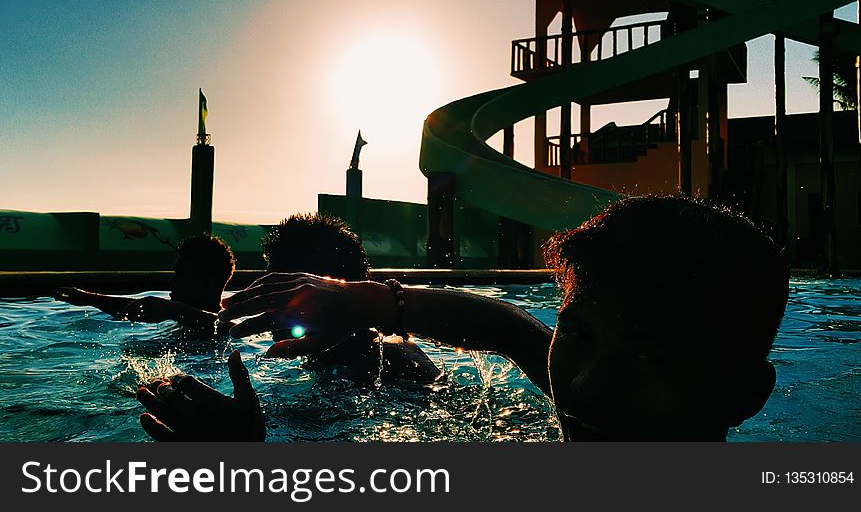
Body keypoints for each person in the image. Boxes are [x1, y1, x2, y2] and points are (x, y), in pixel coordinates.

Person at [138, 196, 788, 441]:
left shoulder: (394, 366)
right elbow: (512, 332)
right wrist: (374, 300)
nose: (588, 382)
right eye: (579, 334)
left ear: (742, 395)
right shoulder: (591, 405)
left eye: (650, 357)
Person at [260, 212, 442, 386]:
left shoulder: (387, 362)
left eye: (278, 292)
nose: (265, 304)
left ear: (323, 293)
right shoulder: (332, 354)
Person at [54, 234, 235, 333]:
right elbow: (136, 307)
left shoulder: (229, 331)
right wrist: (87, 298)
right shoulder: (183, 320)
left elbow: (227, 327)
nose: (172, 281)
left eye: (181, 274)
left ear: (207, 283)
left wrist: (173, 309)